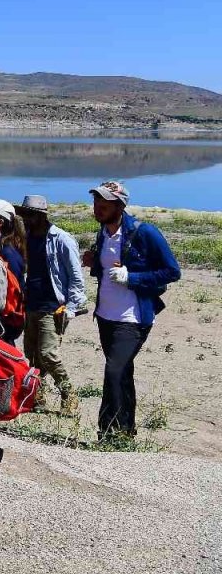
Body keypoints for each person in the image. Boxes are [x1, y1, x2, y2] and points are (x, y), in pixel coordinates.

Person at [84, 181, 180, 438]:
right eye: (96, 201)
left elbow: (172, 272)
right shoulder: (103, 233)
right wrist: (94, 263)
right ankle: (127, 430)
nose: (98, 207)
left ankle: (106, 432)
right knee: (123, 372)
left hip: (134, 318)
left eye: (104, 202)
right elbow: (108, 272)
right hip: (105, 316)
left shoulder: (145, 233)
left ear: (120, 205)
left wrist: (132, 278)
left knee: (113, 371)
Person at [15, 194, 86, 415]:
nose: (25, 219)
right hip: (32, 303)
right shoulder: (26, 237)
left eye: (29, 215)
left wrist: (72, 308)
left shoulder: (61, 239)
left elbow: (76, 276)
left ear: (40, 215)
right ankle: (38, 397)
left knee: (48, 354)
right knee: (33, 355)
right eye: (24, 214)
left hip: (53, 306)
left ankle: (69, 394)